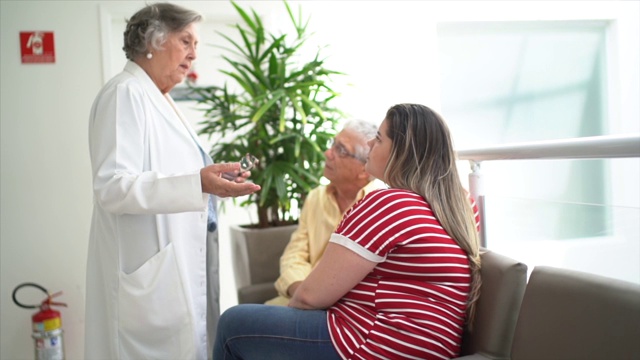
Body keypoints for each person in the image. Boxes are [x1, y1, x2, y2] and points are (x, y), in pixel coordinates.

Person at [213, 103, 482, 360]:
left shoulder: (392, 203)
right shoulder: (449, 207)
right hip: (417, 344)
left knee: (232, 324)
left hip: (373, 341)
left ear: (401, 152)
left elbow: (310, 296)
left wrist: (289, 321)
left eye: (378, 138)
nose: (370, 145)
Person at [85, 3, 260, 360]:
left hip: (175, 263)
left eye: (196, 44)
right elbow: (113, 187)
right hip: (149, 273)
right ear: (153, 40)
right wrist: (198, 184)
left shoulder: (158, 98)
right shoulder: (126, 93)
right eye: (186, 41)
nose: (195, 54)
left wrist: (215, 180)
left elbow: (175, 172)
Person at [265, 119, 383, 306]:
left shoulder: (379, 207)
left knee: (238, 321)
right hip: (301, 299)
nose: (328, 153)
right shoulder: (315, 198)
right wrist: (301, 291)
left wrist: (316, 298)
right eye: (332, 145)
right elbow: (294, 255)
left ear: (364, 169)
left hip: (347, 310)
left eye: (341, 150)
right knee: (239, 321)